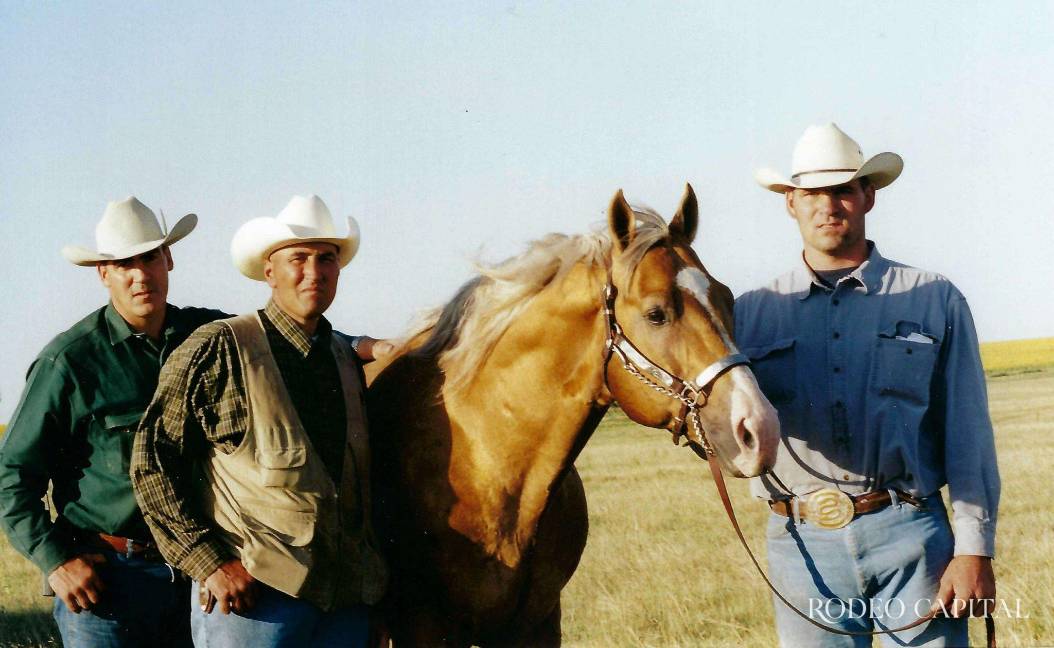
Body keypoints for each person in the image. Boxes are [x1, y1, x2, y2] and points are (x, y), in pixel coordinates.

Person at [735, 123, 1000, 647]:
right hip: (800, 544)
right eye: (811, 193)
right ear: (790, 203)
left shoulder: (934, 298)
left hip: (912, 535)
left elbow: (968, 432)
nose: (827, 206)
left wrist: (974, 550)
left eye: (843, 190)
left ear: (868, 196)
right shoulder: (749, 314)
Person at [130, 195, 387, 648]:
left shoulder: (344, 361)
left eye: (326, 258)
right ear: (269, 271)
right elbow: (152, 460)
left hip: (343, 605)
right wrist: (207, 562)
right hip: (255, 602)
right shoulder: (220, 348)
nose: (314, 271)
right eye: (298, 258)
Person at [0, 197, 226, 647]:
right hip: (109, 582)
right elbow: (12, 477)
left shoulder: (206, 337)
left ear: (169, 260)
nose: (141, 275)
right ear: (103, 274)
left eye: (150, 258)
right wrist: (57, 560)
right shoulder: (69, 362)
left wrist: (364, 346)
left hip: (199, 576)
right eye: (124, 264)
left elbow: (282, 335)